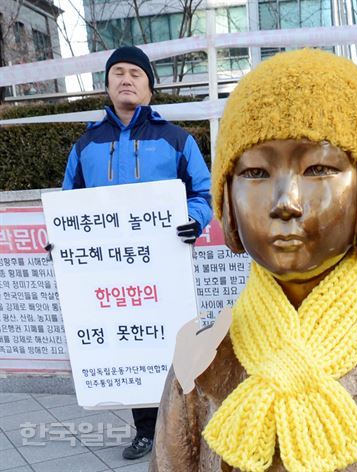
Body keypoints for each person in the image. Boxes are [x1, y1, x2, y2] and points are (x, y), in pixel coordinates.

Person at [149, 48, 357, 471]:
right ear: (227, 197)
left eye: (319, 169)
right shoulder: (201, 363)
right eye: (256, 173)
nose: (286, 201)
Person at [61, 45, 213, 460]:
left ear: (150, 87)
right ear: (107, 84)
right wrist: (60, 241)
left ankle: (187, 424)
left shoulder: (175, 139)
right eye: (118, 73)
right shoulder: (86, 146)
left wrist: (194, 220)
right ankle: (146, 429)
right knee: (132, 341)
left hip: (166, 264)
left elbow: (204, 192)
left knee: (176, 343)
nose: (126, 79)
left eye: (136, 74)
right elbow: (67, 205)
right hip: (111, 271)